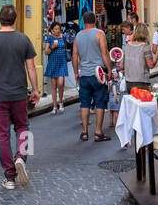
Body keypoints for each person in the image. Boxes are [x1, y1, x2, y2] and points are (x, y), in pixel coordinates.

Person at [0, 4, 39, 190]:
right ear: (15, 19)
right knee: (24, 128)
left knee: (2, 134)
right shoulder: (24, 39)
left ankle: (10, 177)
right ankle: (22, 158)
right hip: (19, 93)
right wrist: (35, 89)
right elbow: (30, 67)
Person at [72, 10, 110, 142]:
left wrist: (76, 72)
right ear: (95, 21)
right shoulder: (100, 34)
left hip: (85, 74)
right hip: (98, 73)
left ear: (83, 21)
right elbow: (105, 54)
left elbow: (74, 56)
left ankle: (84, 132)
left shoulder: (78, 36)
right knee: (100, 103)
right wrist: (110, 70)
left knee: (84, 104)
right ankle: (98, 132)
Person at [123, 23, 158, 95]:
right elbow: (151, 65)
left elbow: (122, 65)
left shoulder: (127, 45)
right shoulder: (145, 46)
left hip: (129, 81)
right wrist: (157, 56)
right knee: (142, 103)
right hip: (142, 82)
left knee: (132, 103)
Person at [43, 21, 69, 114]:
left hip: (62, 63)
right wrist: (53, 47)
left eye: (59, 29)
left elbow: (65, 47)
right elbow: (46, 52)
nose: (58, 31)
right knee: (54, 86)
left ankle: (61, 102)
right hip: (53, 63)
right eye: (55, 29)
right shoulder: (49, 38)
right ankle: (54, 106)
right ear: (52, 30)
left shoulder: (63, 37)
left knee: (61, 84)